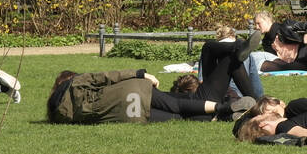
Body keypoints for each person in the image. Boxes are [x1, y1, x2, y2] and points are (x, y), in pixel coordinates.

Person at [47, 34, 262, 123]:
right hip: (136, 91)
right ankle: (239, 107)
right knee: (224, 57)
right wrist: (140, 73)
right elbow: (105, 76)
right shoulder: (74, 83)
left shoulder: (62, 114)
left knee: (179, 116)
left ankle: (227, 112)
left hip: (132, 114)